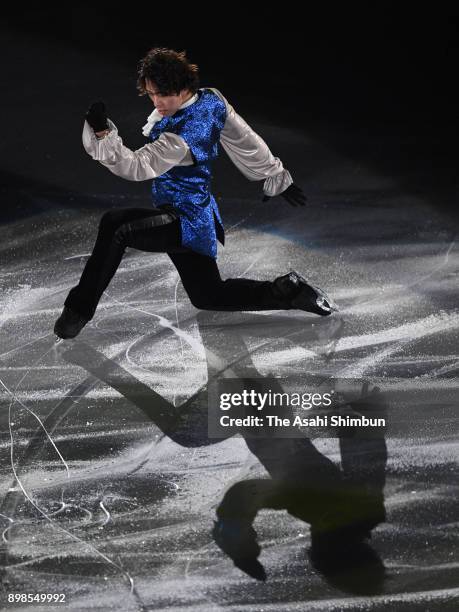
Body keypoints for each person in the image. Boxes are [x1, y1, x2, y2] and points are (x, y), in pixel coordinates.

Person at [54, 47, 338, 339]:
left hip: (184, 219)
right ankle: (288, 291)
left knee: (116, 226)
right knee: (209, 296)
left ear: (181, 87)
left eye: (162, 94)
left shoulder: (180, 137)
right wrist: (274, 174)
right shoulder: (211, 99)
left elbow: (136, 166)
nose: (157, 102)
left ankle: (77, 311)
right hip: (197, 215)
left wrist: (103, 134)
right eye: (151, 94)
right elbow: (244, 137)